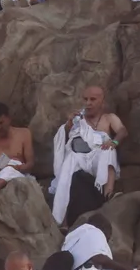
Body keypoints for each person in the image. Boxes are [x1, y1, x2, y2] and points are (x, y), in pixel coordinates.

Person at [49, 86, 126, 225]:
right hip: (77, 157)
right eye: (85, 99)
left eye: (92, 99)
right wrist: (69, 124)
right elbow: (64, 138)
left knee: (109, 150)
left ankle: (108, 194)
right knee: (67, 166)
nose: (88, 103)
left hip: (98, 155)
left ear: (102, 101)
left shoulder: (109, 118)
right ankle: (62, 219)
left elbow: (122, 131)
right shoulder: (78, 119)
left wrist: (114, 142)